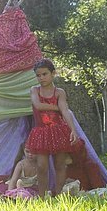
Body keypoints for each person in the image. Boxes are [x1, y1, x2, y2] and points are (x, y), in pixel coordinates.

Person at [26, 58, 83, 197]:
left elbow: (65, 112)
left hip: (58, 131)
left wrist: (73, 131)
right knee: (41, 166)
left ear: (53, 73)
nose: (41, 78)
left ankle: (58, 195)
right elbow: (38, 105)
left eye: (44, 74)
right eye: (38, 75)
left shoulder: (59, 92)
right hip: (41, 132)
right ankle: (42, 196)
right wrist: (57, 107)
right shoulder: (34, 90)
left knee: (59, 164)